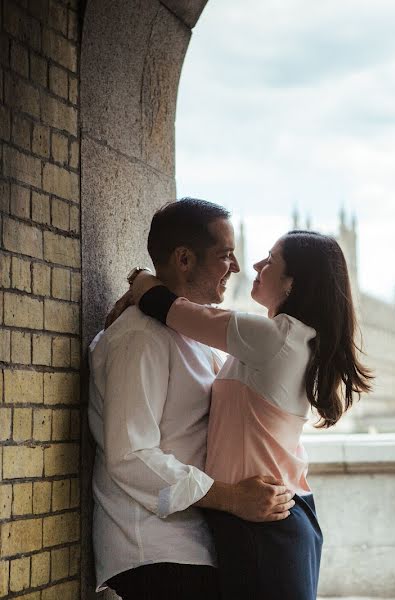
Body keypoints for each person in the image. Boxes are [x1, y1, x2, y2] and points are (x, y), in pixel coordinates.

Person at [127, 229, 372, 600]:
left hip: (265, 523)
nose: (255, 265)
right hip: (272, 515)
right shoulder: (289, 339)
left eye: (271, 260)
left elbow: (165, 306)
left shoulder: (273, 337)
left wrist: (137, 279)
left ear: (293, 283)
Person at [89, 199, 296, 600]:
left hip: (195, 548)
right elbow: (130, 454)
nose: (235, 268)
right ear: (184, 259)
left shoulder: (190, 335)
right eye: (225, 256)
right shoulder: (141, 337)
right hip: (156, 553)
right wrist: (234, 498)